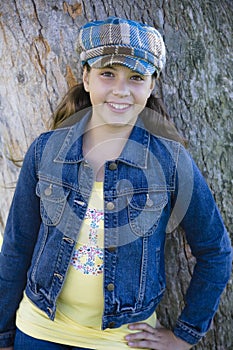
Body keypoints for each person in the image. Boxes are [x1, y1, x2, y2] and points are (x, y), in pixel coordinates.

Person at [0, 16, 232, 350]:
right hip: (39, 332)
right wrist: (5, 334)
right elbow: (17, 246)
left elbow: (215, 250)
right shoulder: (46, 150)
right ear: (87, 78)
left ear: (151, 85)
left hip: (123, 340)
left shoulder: (170, 162)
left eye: (136, 77)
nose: (121, 89)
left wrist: (185, 334)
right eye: (107, 73)